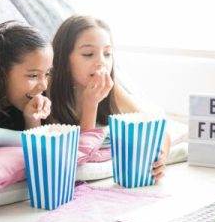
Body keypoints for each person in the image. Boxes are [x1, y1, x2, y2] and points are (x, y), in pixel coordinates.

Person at [48, 15, 170, 181]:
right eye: (88, 54)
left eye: (107, 54)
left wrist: (161, 158)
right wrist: (91, 104)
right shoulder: (49, 91)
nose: (101, 62)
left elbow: (157, 128)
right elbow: (80, 154)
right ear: (64, 58)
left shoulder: (112, 90)